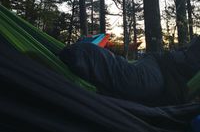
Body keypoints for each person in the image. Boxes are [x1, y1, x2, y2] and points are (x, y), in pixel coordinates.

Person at [59, 36, 200, 106]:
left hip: (160, 72)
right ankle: (79, 50)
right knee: (84, 53)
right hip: (161, 70)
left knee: (121, 76)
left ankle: (81, 49)